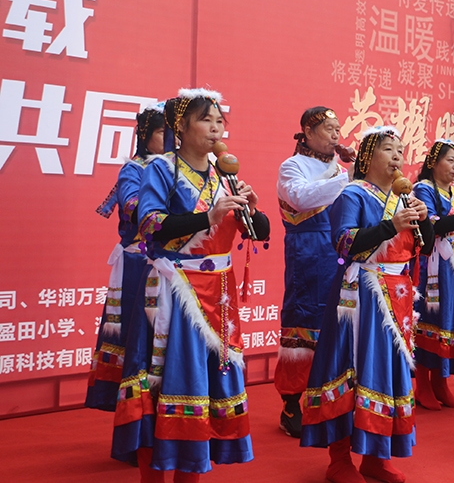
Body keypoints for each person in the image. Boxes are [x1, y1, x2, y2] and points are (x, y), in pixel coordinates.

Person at [134, 88, 270, 481]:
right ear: (182, 126)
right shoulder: (162, 168)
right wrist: (206, 217)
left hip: (220, 290)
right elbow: (150, 227)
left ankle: (192, 472)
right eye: (205, 120)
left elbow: (257, 233)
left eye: (219, 121)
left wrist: (252, 210)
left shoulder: (224, 174)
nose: (215, 128)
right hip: (178, 288)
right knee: (173, 380)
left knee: (210, 384)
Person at [301, 126, 434, 483]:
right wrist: (391, 225)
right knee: (351, 367)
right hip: (360, 292)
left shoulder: (403, 199)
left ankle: (377, 455)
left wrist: (425, 221)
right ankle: (339, 459)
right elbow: (344, 244)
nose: (397, 157)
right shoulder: (353, 194)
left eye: (401, 151)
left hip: (398, 293)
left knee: (389, 372)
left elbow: (425, 247)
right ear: (366, 157)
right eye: (389, 149)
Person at [274, 107, 350, 437]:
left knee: (336, 323)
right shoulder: (292, 166)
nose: (336, 134)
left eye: (338, 129)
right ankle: (291, 401)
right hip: (307, 251)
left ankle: (329, 398)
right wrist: (344, 177)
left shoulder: (340, 168)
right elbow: (301, 198)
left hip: (338, 249)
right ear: (307, 130)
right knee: (303, 324)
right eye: (328, 128)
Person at [87, 103, 166, 413]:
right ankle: (136, 420)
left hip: (169, 268)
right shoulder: (134, 169)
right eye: (163, 132)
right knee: (138, 344)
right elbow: (137, 210)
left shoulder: (180, 168)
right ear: (145, 135)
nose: (170, 139)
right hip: (138, 265)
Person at [412, 139, 454, 410]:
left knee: (452, 320)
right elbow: (429, 226)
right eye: (450, 160)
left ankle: (441, 381)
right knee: (432, 318)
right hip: (434, 266)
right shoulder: (423, 189)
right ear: (433, 163)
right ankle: (424, 385)